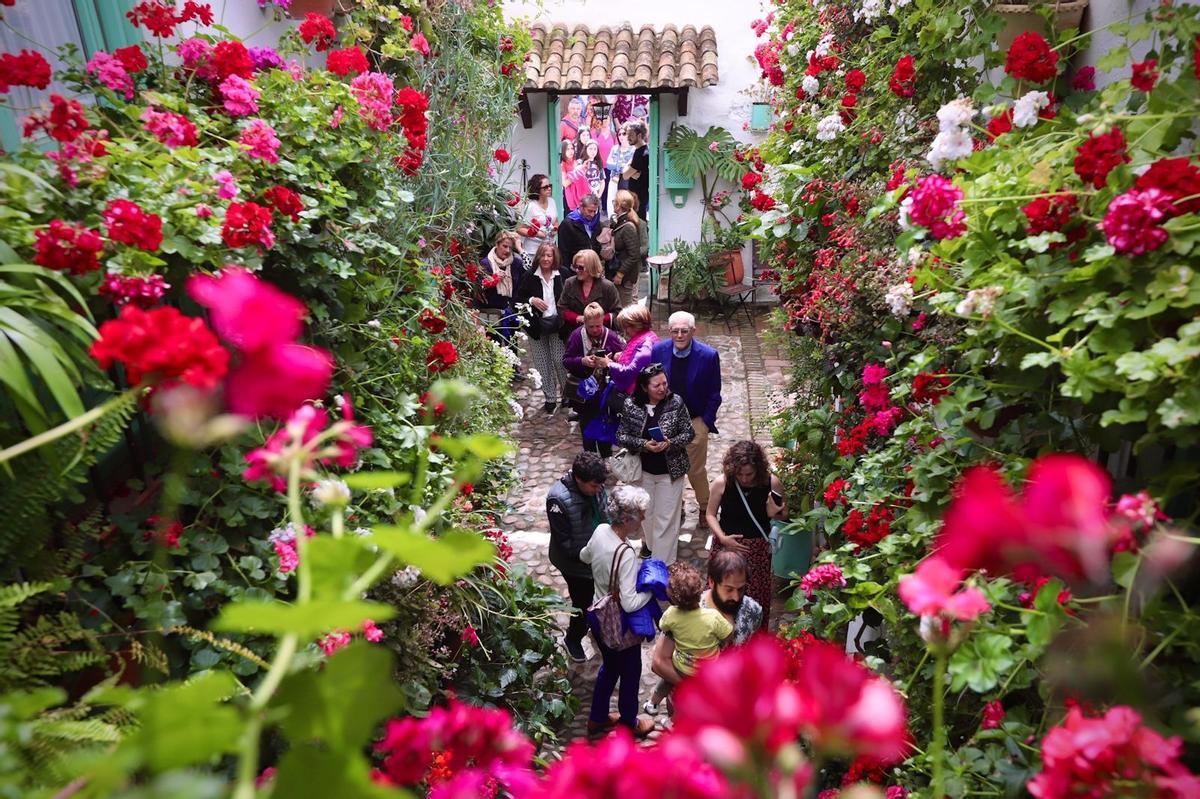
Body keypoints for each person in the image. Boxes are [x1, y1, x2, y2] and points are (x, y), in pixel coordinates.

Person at [579, 484, 656, 738]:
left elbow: (584, 556)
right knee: (631, 673)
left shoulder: (600, 530)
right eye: (640, 514)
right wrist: (651, 591)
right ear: (627, 519)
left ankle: (598, 717)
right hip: (618, 624)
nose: (643, 518)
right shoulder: (626, 554)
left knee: (610, 667)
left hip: (598, 616)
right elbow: (629, 603)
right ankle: (629, 722)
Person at [651, 550, 763, 689]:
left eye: (740, 589)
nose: (735, 597)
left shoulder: (753, 611)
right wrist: (699, 692)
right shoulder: (687, 608)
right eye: (729, 589)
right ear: (711, 582)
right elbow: (659, 662)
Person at [616, 363, 693, 565]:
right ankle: (653, 549)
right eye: (656, 385)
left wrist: (670, 443)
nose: (662, 388)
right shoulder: (631, 405)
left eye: (664, 383)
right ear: (644, 387)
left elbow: (688, 433)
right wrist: (643, 444)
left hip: (670, 471)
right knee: (647, 516)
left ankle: (662, 565)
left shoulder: (676, 402)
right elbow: (621, 436)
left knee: (666, 519)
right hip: (643, 472)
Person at [706, 440, 788, 631]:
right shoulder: (722, 483)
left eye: (749, 474)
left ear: (758, 469)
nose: (744, 478)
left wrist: (774, 513)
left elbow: (785, 515)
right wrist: (723, 538)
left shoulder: (772, 483)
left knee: (756, 596)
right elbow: (710, 514)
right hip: (727, 548)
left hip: (757, 550)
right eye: (740, 474)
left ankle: (753, 639)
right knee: (722, 594)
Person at [651, 311, 722, 528]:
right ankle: (676, 506)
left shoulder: (708, 356)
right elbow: (651, 383)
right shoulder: (658, 350)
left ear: (693, 331)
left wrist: (705, 421)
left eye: (684, 331)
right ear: (669, 331)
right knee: (669, 468)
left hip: (695, 419)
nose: (680, 335)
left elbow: (714, 392)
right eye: (675, 331)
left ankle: (705, 507)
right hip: (666, 419)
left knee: (695, 470)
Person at [643, 562, 733, 716]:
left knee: (667, 681)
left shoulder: (671, 614)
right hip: (707, 672)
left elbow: (663, 626)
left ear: (673, 596)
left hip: (682, 668)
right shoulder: (712, 617)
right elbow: (728, 635)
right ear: (700, 590)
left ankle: (653, 704)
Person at [546, 452, 610, 664]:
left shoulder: (597, 487)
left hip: (596, 556)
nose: (599, 490)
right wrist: (593, 554)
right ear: (579, 479)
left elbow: (605, 513)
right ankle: (573, 638)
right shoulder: (558, 499)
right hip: (575, 565)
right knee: (582, 603)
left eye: (601, 485)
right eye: (594, 486)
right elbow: (565, 544)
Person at [563, 303, 624, 456]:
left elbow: (622, 360)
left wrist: (613, 360)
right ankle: (589, 458)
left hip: (606, 393)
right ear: (584, 323)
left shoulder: (611, 336)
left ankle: (606, 457)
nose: (596, 330)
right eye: (591, 327)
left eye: (598, 326)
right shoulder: (577, 336)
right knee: (587, 429)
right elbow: (566, 361)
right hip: (584, 395)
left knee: (605, 428)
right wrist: (582, 361)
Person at [515, 242, 568, 412]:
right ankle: (550, 397)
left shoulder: (563, 274)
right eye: (543, 255)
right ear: (538, 256)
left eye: (549, 255)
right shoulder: (530, 275)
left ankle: (567, 394)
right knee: (542, 363)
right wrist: (532, 300)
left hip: (558, 325)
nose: (546, 259)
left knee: (560, 360)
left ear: (554, 257)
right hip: (536, 326)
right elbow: (518, 298)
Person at [559, 249, 620, 341]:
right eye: (575, 267)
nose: (577, 270)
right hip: (575, 336)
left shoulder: (607, 286)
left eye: (580, 267)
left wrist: (596, 320)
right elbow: (561, 308)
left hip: (602, 337)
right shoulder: (570, 283)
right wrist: (577, 318)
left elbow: (617, 313)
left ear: (591, 267)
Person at [479, 231, 525, 346]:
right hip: (491, 312)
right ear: (497, 244)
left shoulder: (516, 264)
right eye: (504, 246)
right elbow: (479, 289)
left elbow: (523, 283)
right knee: (494, 346)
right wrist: (493, 280)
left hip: (511, 312)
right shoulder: (485, 264)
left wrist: (520, 249)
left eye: (510, 248)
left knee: (512, 347)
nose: (507, 250)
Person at [607, 304, 659, 395]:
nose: (625, 331)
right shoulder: (642, 337)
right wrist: (621, 356)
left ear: (636, 325)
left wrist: (608, 363)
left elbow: (630, 371)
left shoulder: (646, 344)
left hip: (637, 395)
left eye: (626, 327)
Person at [610, 189, 644, 307]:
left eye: (614, 201)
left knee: (625, 309)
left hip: (625, 278)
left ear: (618, 205)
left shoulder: (628, 226)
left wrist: (620, 274)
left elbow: (634, 255)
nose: (613, 203)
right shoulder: (620, 222)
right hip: (620, 274)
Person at [517, 173, 559, 264]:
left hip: (549, 248)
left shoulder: (552, 202)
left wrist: (555, 229)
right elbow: (519, 229)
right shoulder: (530, 206)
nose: (549, 188)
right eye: (545, 187)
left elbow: (555, 221)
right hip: (533, 250)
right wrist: (536, 234)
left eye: (550, 186)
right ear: (537, 189)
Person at [557, 193, 602, 277]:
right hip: (575, 270)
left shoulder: (596, 223)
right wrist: (567, 273)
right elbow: (563, 251)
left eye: (594, 211)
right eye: (590, 211)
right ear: (581, 207)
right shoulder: (568, 224)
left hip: (592, 269)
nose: (592, 215)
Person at [622, 119, 649, 219]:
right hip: (636, 198)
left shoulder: (642, 154)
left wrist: (628, 169)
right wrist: (629, 170)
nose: (628, 137)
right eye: (627, 134)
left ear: (639, 135)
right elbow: (627, 172)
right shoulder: (639, 151)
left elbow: (625, 175)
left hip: (639, 199)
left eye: (631, 135)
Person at [561, 138, 590, 212]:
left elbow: (580, 176)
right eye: (567, 149)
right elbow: (565, 183)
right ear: (563, 151)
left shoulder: (575, 161)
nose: (571, 151)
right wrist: (577, 172)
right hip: (570, 195)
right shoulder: (562, 164)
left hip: (580, 194)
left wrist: (583, 169)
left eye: (572, 148)